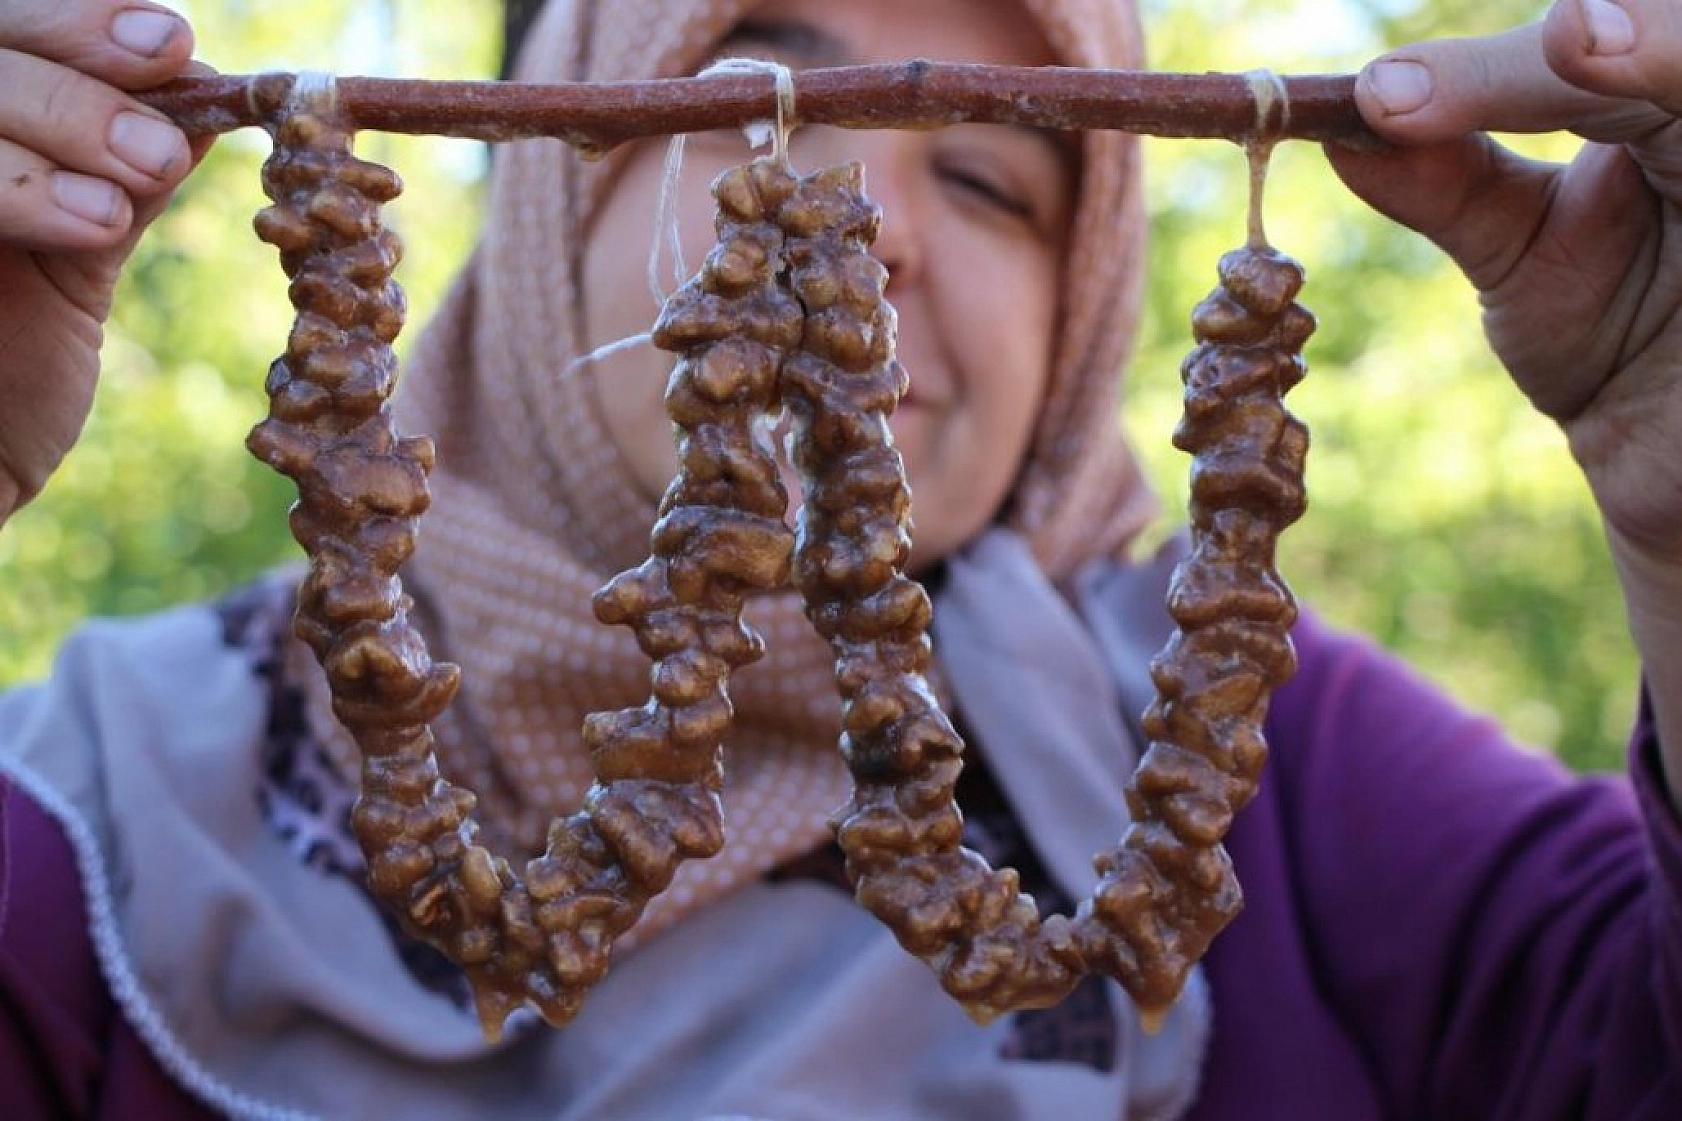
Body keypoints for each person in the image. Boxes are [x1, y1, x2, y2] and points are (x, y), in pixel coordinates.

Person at [1, 0, 1679, 1117]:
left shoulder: (1283, 778)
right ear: (540, 207)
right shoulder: (80, 831)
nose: (866, 227)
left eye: (985, 176)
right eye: (744, 107)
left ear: (1078, 320)